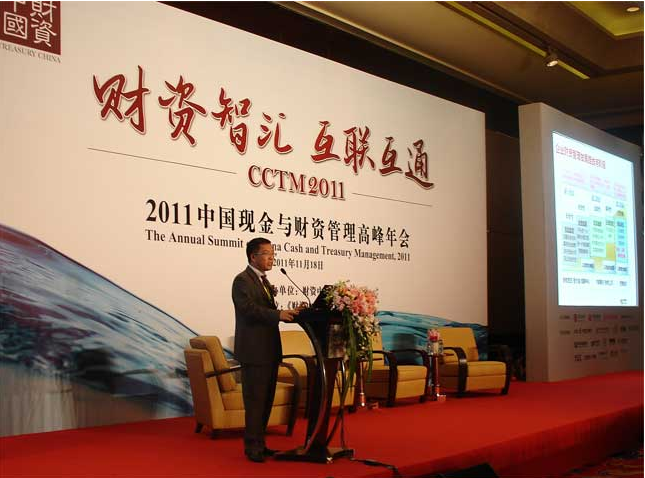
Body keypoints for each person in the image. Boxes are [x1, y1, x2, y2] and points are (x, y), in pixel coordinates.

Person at [231, 237, 301, 463]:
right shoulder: (242, 280)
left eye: (273, 254)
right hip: (254, 352)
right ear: (253, 256)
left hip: (269, 351)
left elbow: (266, 311)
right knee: (255, 401)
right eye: (267, 254)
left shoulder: (263, 280)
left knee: (266, 400)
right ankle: (252, 447)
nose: (272, 258)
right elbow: (249, 309)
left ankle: (260, 444)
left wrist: (291, 313)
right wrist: (278, 314)